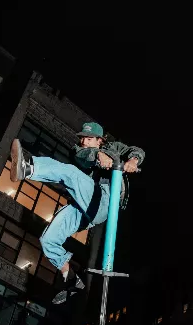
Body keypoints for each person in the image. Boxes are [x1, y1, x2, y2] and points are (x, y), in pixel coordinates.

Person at [10, 122, 144, 304]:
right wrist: (98, 156)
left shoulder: (115, 148)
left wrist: (133, 160)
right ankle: (72, 278)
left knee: (70, 173)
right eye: (82, 139)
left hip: (105, 201)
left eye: (89, 140)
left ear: (100, 140)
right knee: (48, 239)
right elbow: (84, 155)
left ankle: (28, 169)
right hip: (83, 208)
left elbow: (135, 150)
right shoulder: (79, 151)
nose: (84, 143)